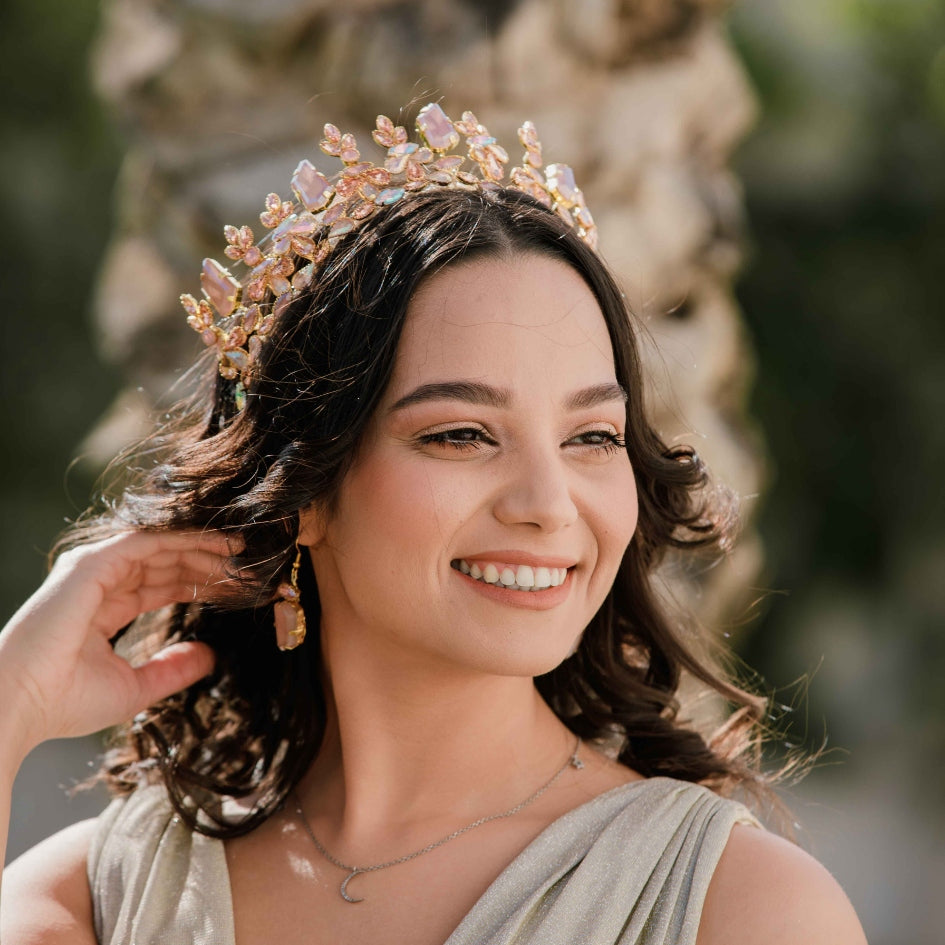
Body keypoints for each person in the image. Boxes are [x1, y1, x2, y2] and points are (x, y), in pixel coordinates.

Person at [0, 104, 866, 945]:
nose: (548, 501)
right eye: (461, 433)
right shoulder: (102, 895)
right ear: (303, 486)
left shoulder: (736, 908)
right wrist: (12, 700)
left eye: (591, 436)